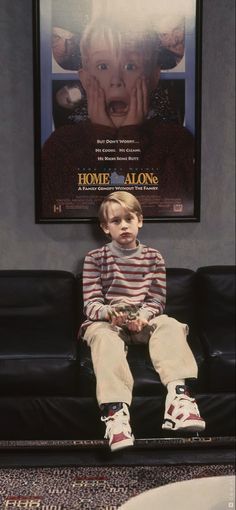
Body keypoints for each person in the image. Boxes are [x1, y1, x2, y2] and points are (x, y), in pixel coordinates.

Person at [81, 191, 205, 452]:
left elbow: (157, 301)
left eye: (129, 219)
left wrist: (143, 317)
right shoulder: (95, 258)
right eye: (116, 221)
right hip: (109, 321)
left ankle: (179, 400)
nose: (123, 225)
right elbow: (91, 304)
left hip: (143, 320)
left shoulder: (154, 258)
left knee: (170, 323)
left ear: (140, 221)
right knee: (102, 336)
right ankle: (116, 416)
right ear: (105, 227)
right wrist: (111, 315)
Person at [41, 17, 194, 219]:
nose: (116, 80)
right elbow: (67, 213)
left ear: (153, 77)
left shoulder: (176, 142)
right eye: (103, 66)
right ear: (85, 79)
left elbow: (161, 212)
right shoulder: (61, 144)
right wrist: (101, 136)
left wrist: (130, 136)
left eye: (130, 67)